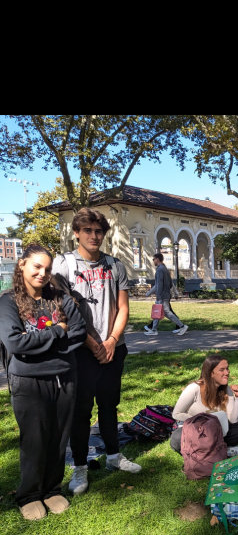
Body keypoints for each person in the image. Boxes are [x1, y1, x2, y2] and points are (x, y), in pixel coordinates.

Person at [52, 208, 142, 495]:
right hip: (80, 351)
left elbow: (123, 307)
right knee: (81, 411)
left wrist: (112, 340)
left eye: (99, 231)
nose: (94, 236)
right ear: (76, 233)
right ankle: (80, 467)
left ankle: (114, 456)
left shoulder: (115, 265)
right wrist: (93, 344)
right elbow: (63, 312)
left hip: (114, 349)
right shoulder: (63, 265)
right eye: (88, 230)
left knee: (108, 405)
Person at [0, 244, 87, 520]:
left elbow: (79, 332)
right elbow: (15, 342)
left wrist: (38, 345)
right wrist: (57, 332)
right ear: (22, 264)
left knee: (59, 437)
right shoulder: (8, 302)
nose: (42, 273)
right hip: (28, 381)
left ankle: (51, 489)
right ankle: (29, 495)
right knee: (34, 440)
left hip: (64, 378)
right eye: (37, 266)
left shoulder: (59, 298)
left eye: (47, 269)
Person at [170, 352, 238, 456]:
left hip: (215, 431)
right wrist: (202, 420)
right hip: (195, 431)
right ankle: (220, 450)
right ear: (211, 373)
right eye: (222, 370)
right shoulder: (194, 389)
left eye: (227, 368)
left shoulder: (226, 390)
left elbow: (233, 420)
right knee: (177, 438)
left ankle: (206, 452)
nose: (227, 372)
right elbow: (176, 414)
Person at [144, 254, 188, 336]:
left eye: (153, 259)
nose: (153, 261)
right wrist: (149, 293)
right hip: (165, 295)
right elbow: (169, 284)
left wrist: (158, 295)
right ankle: (153, 330)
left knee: (166, 313)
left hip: (162, 296)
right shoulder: (165, 269)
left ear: (157, 259)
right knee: (157, 312)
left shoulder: (160, 269)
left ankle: (182, 326)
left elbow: (159, 284)